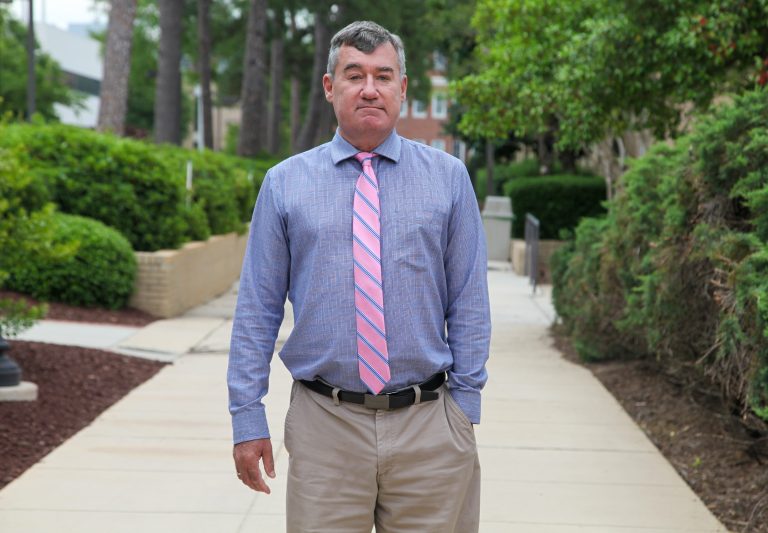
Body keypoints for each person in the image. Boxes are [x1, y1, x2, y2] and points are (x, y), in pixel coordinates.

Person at [228, 20, 490, 532]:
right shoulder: (284, 185)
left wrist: (464, 409)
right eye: (354, 75)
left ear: (402, 88)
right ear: (330, 87)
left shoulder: (449, 179)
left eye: (383, 75)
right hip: (325, 425)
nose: (370, 89)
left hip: (430, 427)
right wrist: (246, 416)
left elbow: (470, 301)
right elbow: (256, 309)